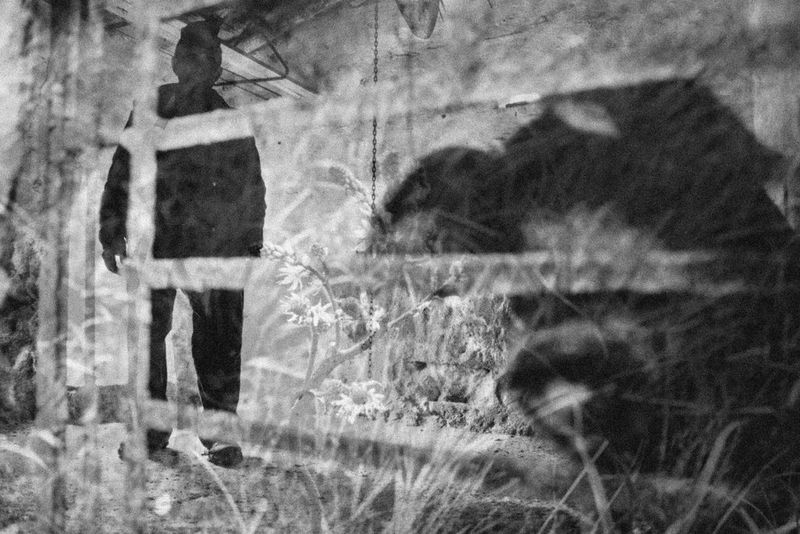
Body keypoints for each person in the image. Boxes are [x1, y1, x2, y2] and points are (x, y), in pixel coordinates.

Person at [99, 18, 266, 467]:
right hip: (158, 241)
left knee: (219, 339)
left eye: (207, 60)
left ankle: (221, 436)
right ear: (175, 61)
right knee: (147, 336)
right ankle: (149, 433)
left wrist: (250, 242)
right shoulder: (151, 107)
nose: (196, 66)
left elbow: (251, 185)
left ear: (216, 69)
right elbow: (122, 171)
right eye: (188, 56)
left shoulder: (230, 119)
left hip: (214, 246)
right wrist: (112, 231)